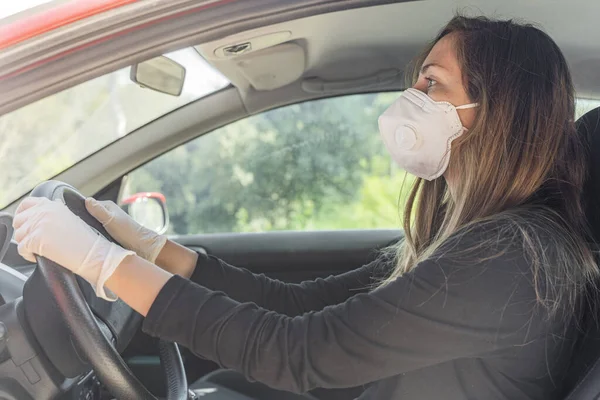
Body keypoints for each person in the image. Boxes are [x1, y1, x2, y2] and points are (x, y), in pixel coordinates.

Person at [12, 15, 600, 400]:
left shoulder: (511, 261)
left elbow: (301, 354)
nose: (410, 104)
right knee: (221, 384)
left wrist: (103, 264)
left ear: (498, 114)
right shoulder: (470, 237)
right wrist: (147, 247)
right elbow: (302, 305)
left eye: (431, 85)